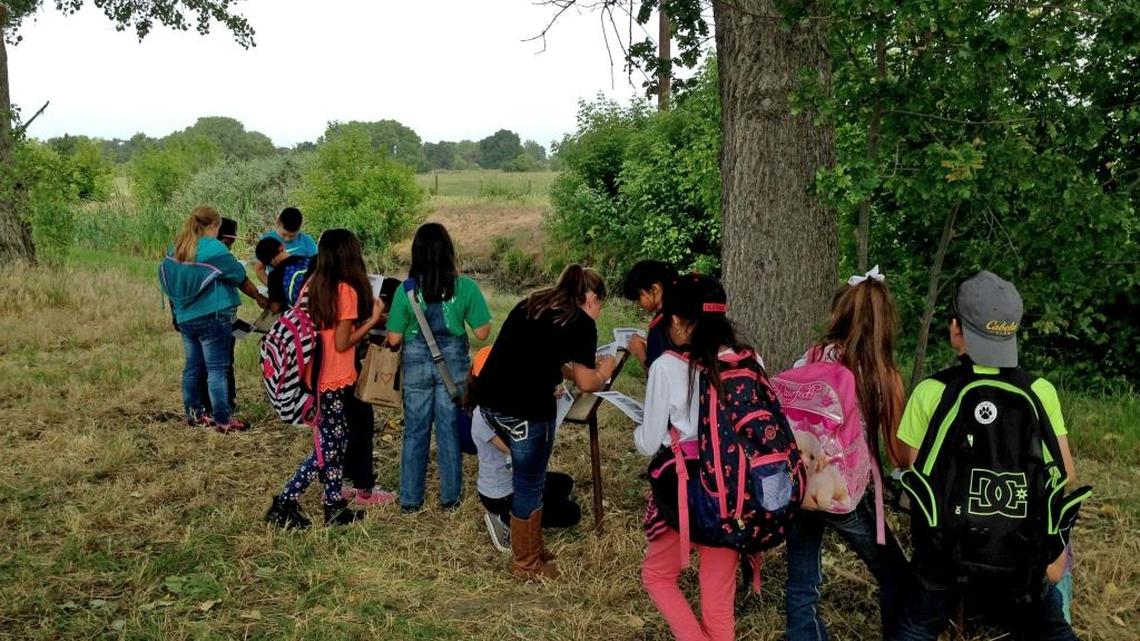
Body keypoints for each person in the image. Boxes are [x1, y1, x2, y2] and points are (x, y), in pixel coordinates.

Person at [891, 271, 1081, 641]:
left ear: (955, 329)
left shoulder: (932, 391)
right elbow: (1066, 473)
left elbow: (913, 471)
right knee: (1052, 628)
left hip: (946, 553)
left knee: (913, 629)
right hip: (1021, 554)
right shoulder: (1039, 391)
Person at [783, 267, 910, 641]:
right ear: (885, 322)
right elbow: (900, 453)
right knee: (893, 573)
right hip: (847, 491)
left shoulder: (811, 357)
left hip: (802, 485)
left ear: (837, 314)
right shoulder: (882, 374)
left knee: (802, 575)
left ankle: (804, 635)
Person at [476, 264, 616, 579]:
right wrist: (606, 369)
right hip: (525, 408)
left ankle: (532, 549)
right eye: (600, 305)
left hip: (491, 401)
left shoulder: (535, 302)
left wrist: (573, 368)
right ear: (592, 298)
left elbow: (538, 355)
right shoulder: (580, 322)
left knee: (532, 481)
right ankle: (526, 563)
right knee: (529, 483)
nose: (599, 311)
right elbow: (587, 383)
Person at [634, 273, 750, 641]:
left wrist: (638, 431)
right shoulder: (748, 359)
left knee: (657, 575)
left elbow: (650, 442)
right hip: (734, 492)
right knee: (718, 602)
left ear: (678, 321)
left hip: (686, 493)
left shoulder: (666, 367)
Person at [264, 229, 387, 529]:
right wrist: (372, 319)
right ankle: (285, 501)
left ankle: (333, 504)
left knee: (334, 439)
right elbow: (343, 343)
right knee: (330, 444)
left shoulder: (313, 282)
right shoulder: (345, 290)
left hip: (313, 374)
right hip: (334, 376)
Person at [386, 223, 492, 513]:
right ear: (449, 251)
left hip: (416, 367)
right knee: (448, 430)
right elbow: (483, 332)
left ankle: (410, 499)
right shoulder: (466, 287)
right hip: (453, 369)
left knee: (415, 431)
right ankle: (450, 498)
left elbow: (394, 338)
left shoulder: (405, 290)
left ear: (417, 253)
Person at [159, 206, 267, 433]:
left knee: (193, 368)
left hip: (186, 316)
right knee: (217, 369)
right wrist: (258, 296)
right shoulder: (215, 248)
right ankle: (223, 420)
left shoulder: (177, 246)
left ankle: (194, 415)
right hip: (214, 316)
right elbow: (239, 277)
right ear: (215, 225)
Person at [468, 347, 582, 553]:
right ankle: (505, 519)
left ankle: (528, 511)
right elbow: (518, 449)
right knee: (571, 513)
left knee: (565, 483)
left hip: (518, 482)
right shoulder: (482, 415)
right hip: (500, 494)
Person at [621, 260, 677, 369]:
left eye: (639, 297)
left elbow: (658, 376)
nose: (638, 304)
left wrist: (640, 352)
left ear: (655, 289)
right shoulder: (677, 313)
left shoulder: (662, 324)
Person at [255, 206, 318, 285]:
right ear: (278, 223)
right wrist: (271, 286)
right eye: (284, 234)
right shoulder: (267, 240)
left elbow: (317, 268)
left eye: (292, 236)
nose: (287, 239)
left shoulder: (308, 242)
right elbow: (260, 269)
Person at [254, 237, 311, 312]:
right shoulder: (307, 260)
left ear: (266, 262)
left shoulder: (274, 276)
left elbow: (276, 308)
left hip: (308, 314)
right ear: (282, 247)